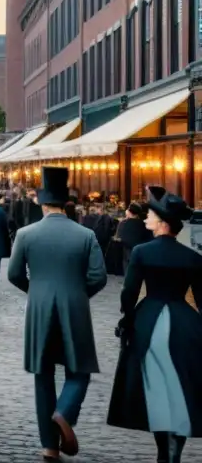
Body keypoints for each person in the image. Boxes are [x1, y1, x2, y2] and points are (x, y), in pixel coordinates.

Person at [8, 166, 107, 462]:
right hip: (75, 307)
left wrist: (35, 291)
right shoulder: (86, 234)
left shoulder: (26, 234)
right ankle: (64, 412)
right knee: (80, 369)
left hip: (38, 309)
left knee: (43, 375)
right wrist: (77, 293)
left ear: (40, 202)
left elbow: (14, 274)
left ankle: (49, 446)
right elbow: (98, 276)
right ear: (67, 203)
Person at [107, 186, 202, 463]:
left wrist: (126, 317)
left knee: (158, 388)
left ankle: (164, 452)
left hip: (149, 321)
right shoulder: (193, 257)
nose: (146, 217)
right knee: (181, 387)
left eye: (150, 214)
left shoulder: (142, 252)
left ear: (162, 222)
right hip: (185, 324)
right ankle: (174, 453)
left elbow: (129, 292)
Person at [115, 201, 153, 276]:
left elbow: (118, 237)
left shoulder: (123, 223)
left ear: (129, 212)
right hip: (141, 251)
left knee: (127, 267)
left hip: (127, 251)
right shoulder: (143, 224)